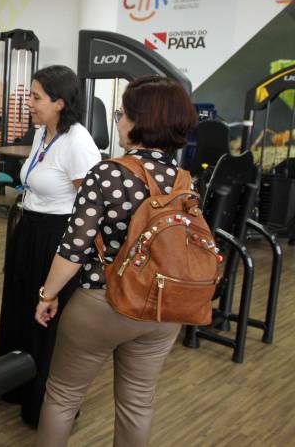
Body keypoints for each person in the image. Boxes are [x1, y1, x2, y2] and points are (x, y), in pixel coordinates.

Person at [34, 75, 198, 446]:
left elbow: (73, 248)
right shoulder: (183, 180)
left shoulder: (108, 173)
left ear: (142, 121)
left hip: (103, 302)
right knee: (138, 404)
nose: (119, 120)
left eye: (123, 113)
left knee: (62, 398)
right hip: (162, 308)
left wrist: (48, 295)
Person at [0, 65, 100, 427]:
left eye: (36, 97)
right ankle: (16, 384)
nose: (29, 103)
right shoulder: (44, 133)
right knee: (20, 310)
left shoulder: (78, 142)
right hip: (30, 230)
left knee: (47, 322)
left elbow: (91, 208)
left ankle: (45, 404)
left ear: (59, 102)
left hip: (58, 238)